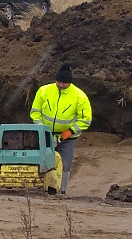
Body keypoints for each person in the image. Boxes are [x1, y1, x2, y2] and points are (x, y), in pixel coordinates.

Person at [30, 64, 91, 193]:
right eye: (58, 81)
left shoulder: (79, 96)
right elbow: (35, 112)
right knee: (41, 162)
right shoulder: (44, 91)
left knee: (64, 164)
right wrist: (43, 132)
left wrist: (64, 135)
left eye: (64, 82)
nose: (60, 85)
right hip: (45, 135)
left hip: (67, 138)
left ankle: (61, 191)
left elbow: (85, 120)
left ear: (69, 82)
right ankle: (40, 188)